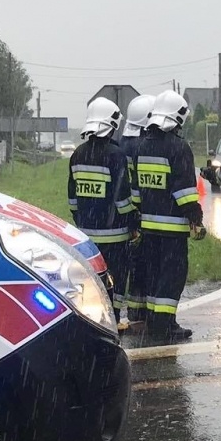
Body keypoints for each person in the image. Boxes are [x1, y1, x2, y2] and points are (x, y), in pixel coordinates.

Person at [132, 90, 206, 342]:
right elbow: (185, 191)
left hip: (149, 226)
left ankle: (156, 321)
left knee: (154, 274)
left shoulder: (143, 146)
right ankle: (165, 325)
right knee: (172, 275)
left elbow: (136, 190)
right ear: (178, 118)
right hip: (173, 229)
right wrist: (196, 216)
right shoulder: (178, 147)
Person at [67, 97, 136, 320]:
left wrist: (83, 222)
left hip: (87, 234)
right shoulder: (116, 155)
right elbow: (122, 199)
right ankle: (113, 318)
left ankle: (92, 316)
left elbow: (72, 198)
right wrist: (133, 222)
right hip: (115, 235)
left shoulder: (78, 154)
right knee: (115, 276)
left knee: (91, 278)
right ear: (112, 125)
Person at [117, 93, 155, 326]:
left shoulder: (122, 143)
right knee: (146, 264)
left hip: (123, 213)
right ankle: (144, 312)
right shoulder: (145, 144)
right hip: (143, 210)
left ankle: (134, 310)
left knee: (132, 264)